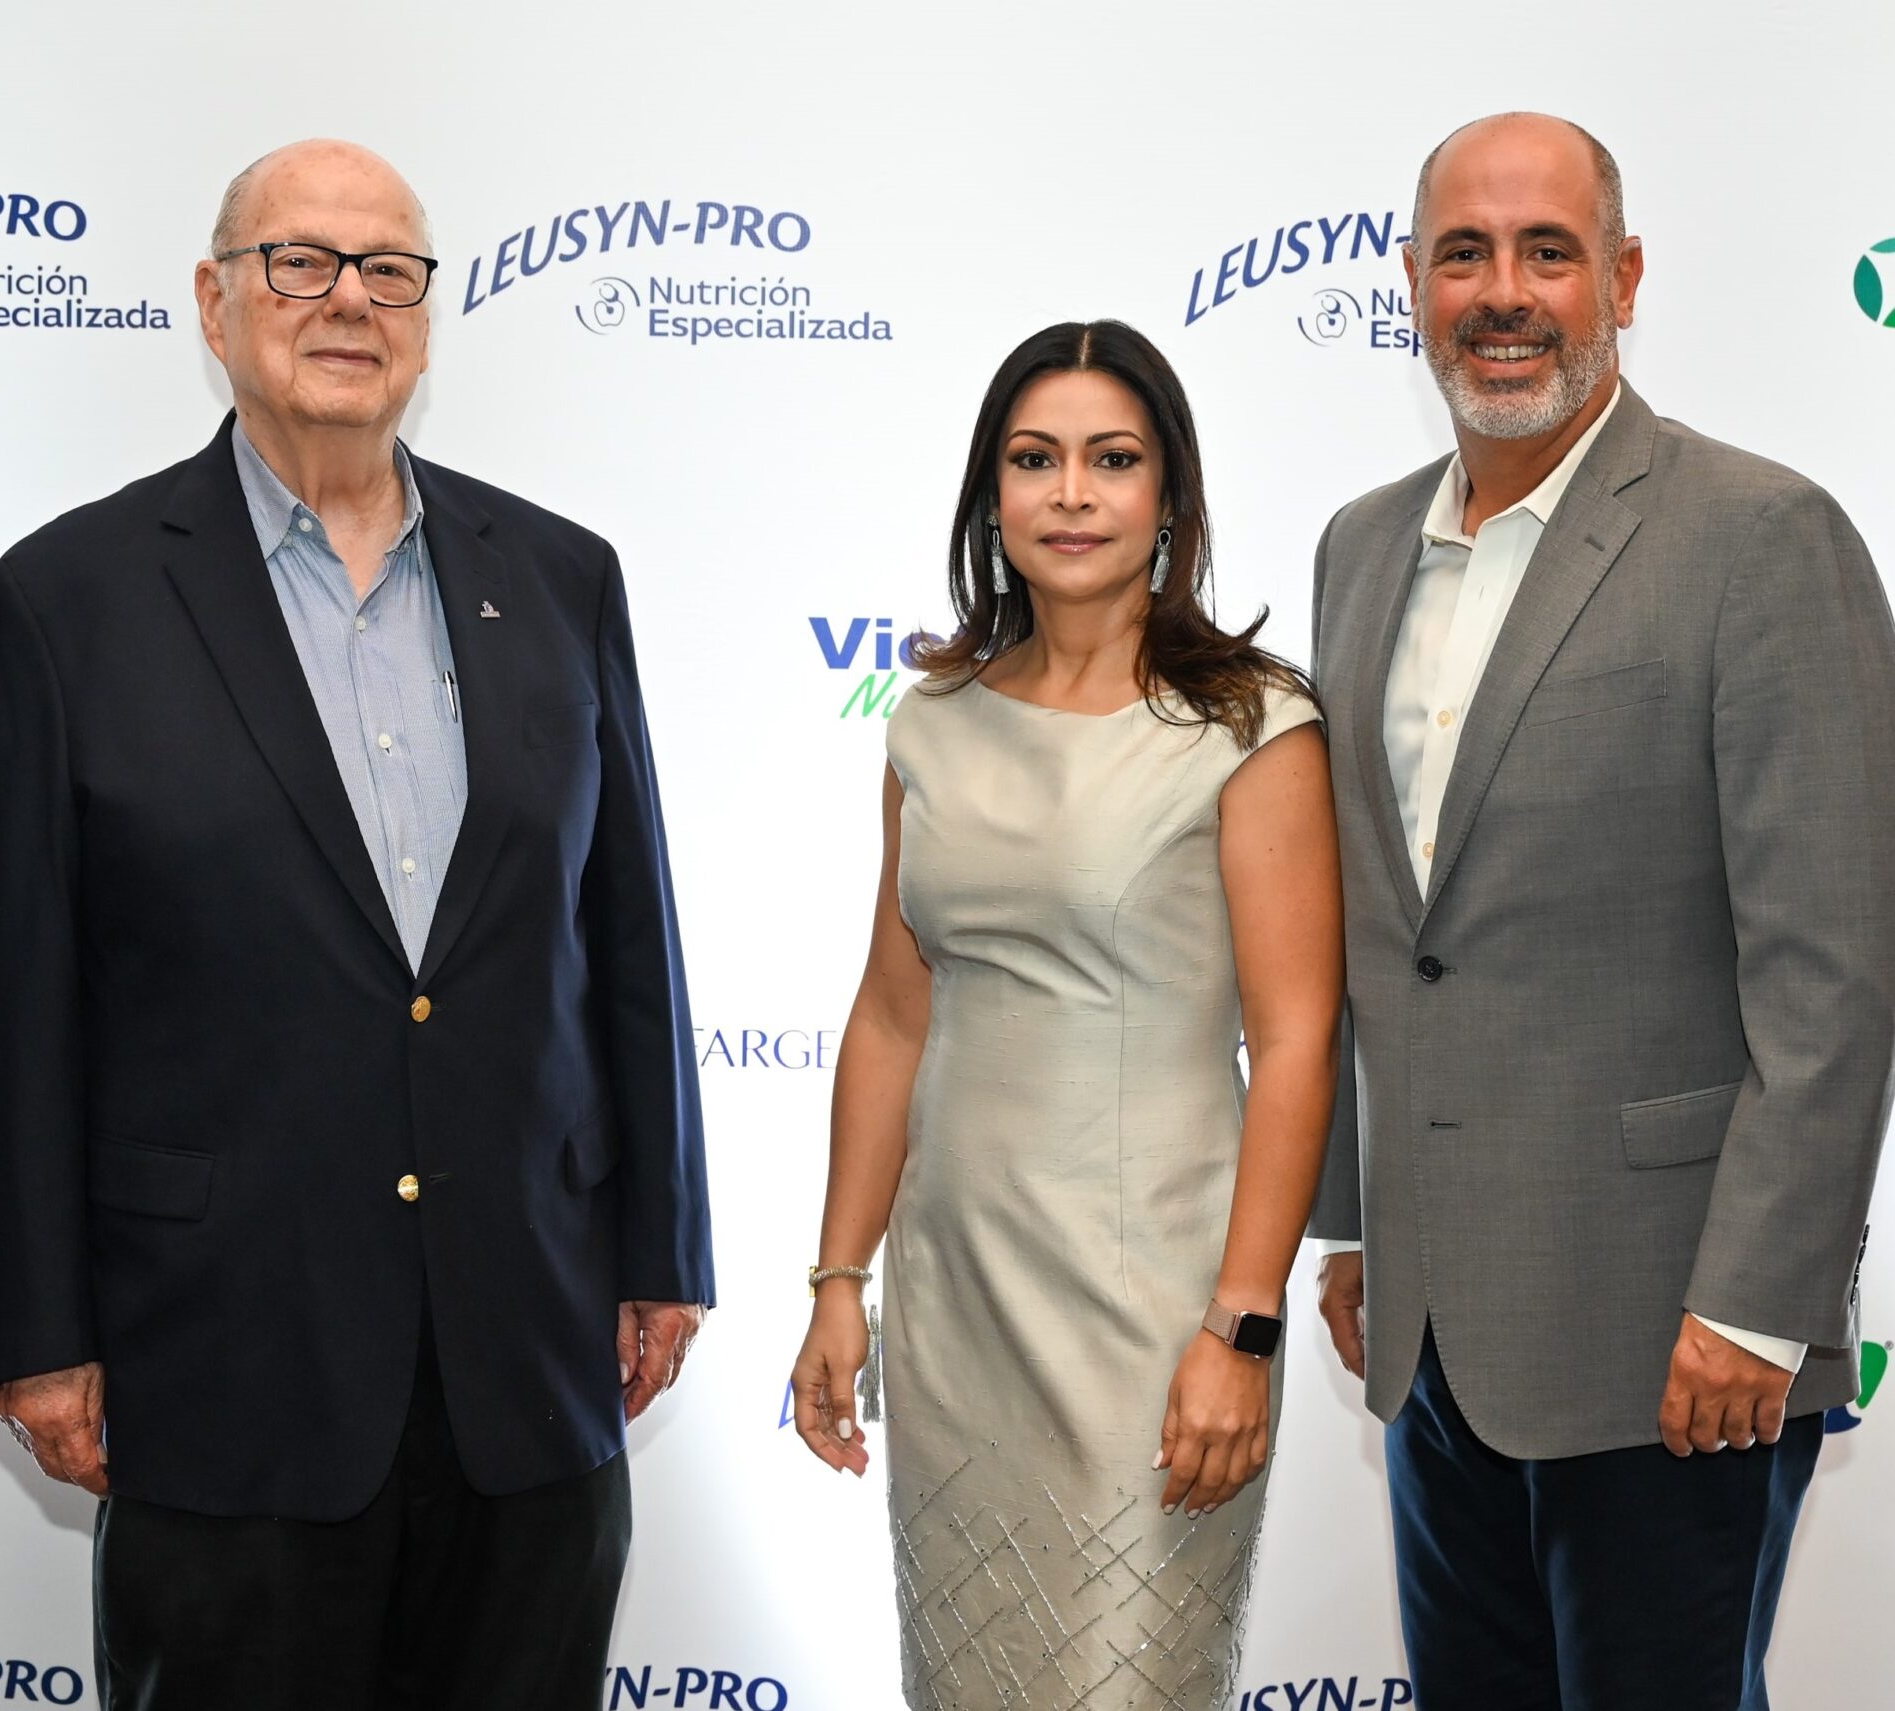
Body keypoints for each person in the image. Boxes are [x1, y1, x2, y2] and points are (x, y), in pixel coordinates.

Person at [0, 137, 714, 1711]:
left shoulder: (561, 575)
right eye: (298, 261)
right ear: (214, 302)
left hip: (528, 1347)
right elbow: (16, 1001)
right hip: (224, 1358)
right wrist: (35, 1327)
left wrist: (665, 1246)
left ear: (426, 315)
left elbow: (630, 932)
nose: (347, 298)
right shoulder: (66, 596)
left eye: (388, 269)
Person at [1307, 112, 1894, 1708]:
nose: (1504, 292)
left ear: (1622, 280)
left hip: (1676, 1343)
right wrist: (1352, 1219)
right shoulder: (1361, 549)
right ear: (1413, 286)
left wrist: (1757, 1309)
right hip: (1435, 1340)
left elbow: (1833, 973)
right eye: (1464, 254)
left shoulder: (1762, 536)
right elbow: (1385, 939)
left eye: (1547, 252)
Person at [788, 320, 1345, 1710]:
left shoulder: (1252, 726)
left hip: (1157, 1322)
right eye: (1036, 460)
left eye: (1113, 459)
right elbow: (892, 1016)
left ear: (1170, 493)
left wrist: (1242, 1328)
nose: (1073, 495)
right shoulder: (933, 721)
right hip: (956, 1312)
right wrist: (840, 1280)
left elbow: (1295, 1043)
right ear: (992, 494)